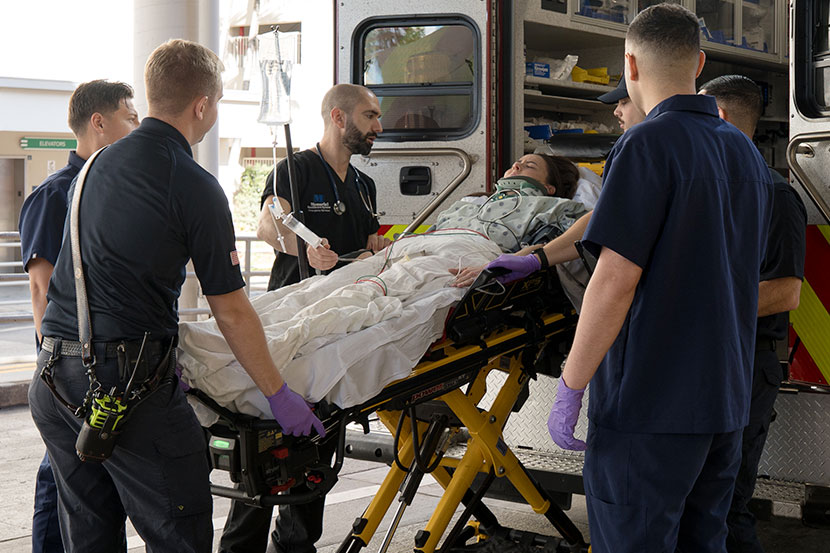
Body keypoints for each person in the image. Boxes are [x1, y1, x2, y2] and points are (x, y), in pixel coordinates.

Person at [28, 39, 323, 553]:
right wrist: (278, 393)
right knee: (180, 532)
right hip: (126, 387)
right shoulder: (192, 183)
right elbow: (230, 309)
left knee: (91, 537)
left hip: (55, 381)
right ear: (202, 106)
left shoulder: (91, 169)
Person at [546, 5, 773, 552]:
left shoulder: (646, 142)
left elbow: (614, 278)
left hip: (649, 404)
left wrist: (571, 385)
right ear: (698, 61)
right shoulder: (742, 150)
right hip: (724, 403)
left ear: (629, 65)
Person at [18, 79, 139, 553]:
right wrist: (66, 365)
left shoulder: (111, 188)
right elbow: (41, 288)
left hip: (103, 365)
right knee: (62, 474)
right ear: (99, 122)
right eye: (130, 116)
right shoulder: (57, 194)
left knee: (78, 476)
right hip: (70, 369)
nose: (137, 125)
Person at [699, 75, 807, 553]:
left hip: (746, 361)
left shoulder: (774, 195)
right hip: (706, 356)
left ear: (719, 118)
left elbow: (785, 292)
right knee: (699, 499)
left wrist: (691, 306)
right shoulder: (705, 186)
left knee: (726, 503)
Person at [256, 83, 391, 292]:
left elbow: (368, 243)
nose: (378, 128)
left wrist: (376, 248)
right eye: (369, 116)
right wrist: (306, 249)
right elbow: (267, 227)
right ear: (338, 117)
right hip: (296, 302)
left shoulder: (365, 185)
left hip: (344, 302)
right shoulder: (293, 171)